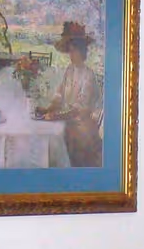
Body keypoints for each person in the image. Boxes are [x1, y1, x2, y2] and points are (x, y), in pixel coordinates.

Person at [37, 21, 103, 168]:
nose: (71, 55)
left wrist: (57, 116)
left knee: (60, 139)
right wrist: (48, 109)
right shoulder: (69, 70)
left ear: (82, 52)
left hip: (83, 125)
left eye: (74, 51)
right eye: (70, 51)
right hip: (69, 119)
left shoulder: (88, 75)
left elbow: (80, 109)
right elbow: (59, 95)